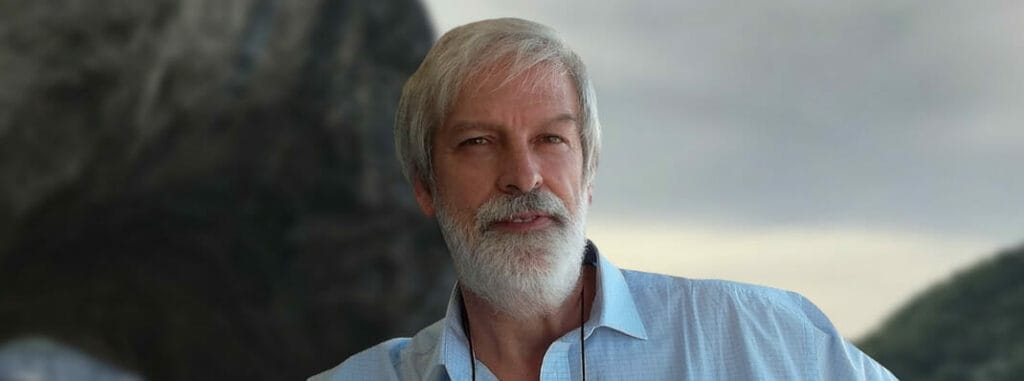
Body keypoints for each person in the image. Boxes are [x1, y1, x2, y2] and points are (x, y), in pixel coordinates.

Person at [310, 18, 897, 381]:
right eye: (479, 142)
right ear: (423, 184)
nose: (523, 176)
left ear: (588, 173)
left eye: (551, 139)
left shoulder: (762, 342)